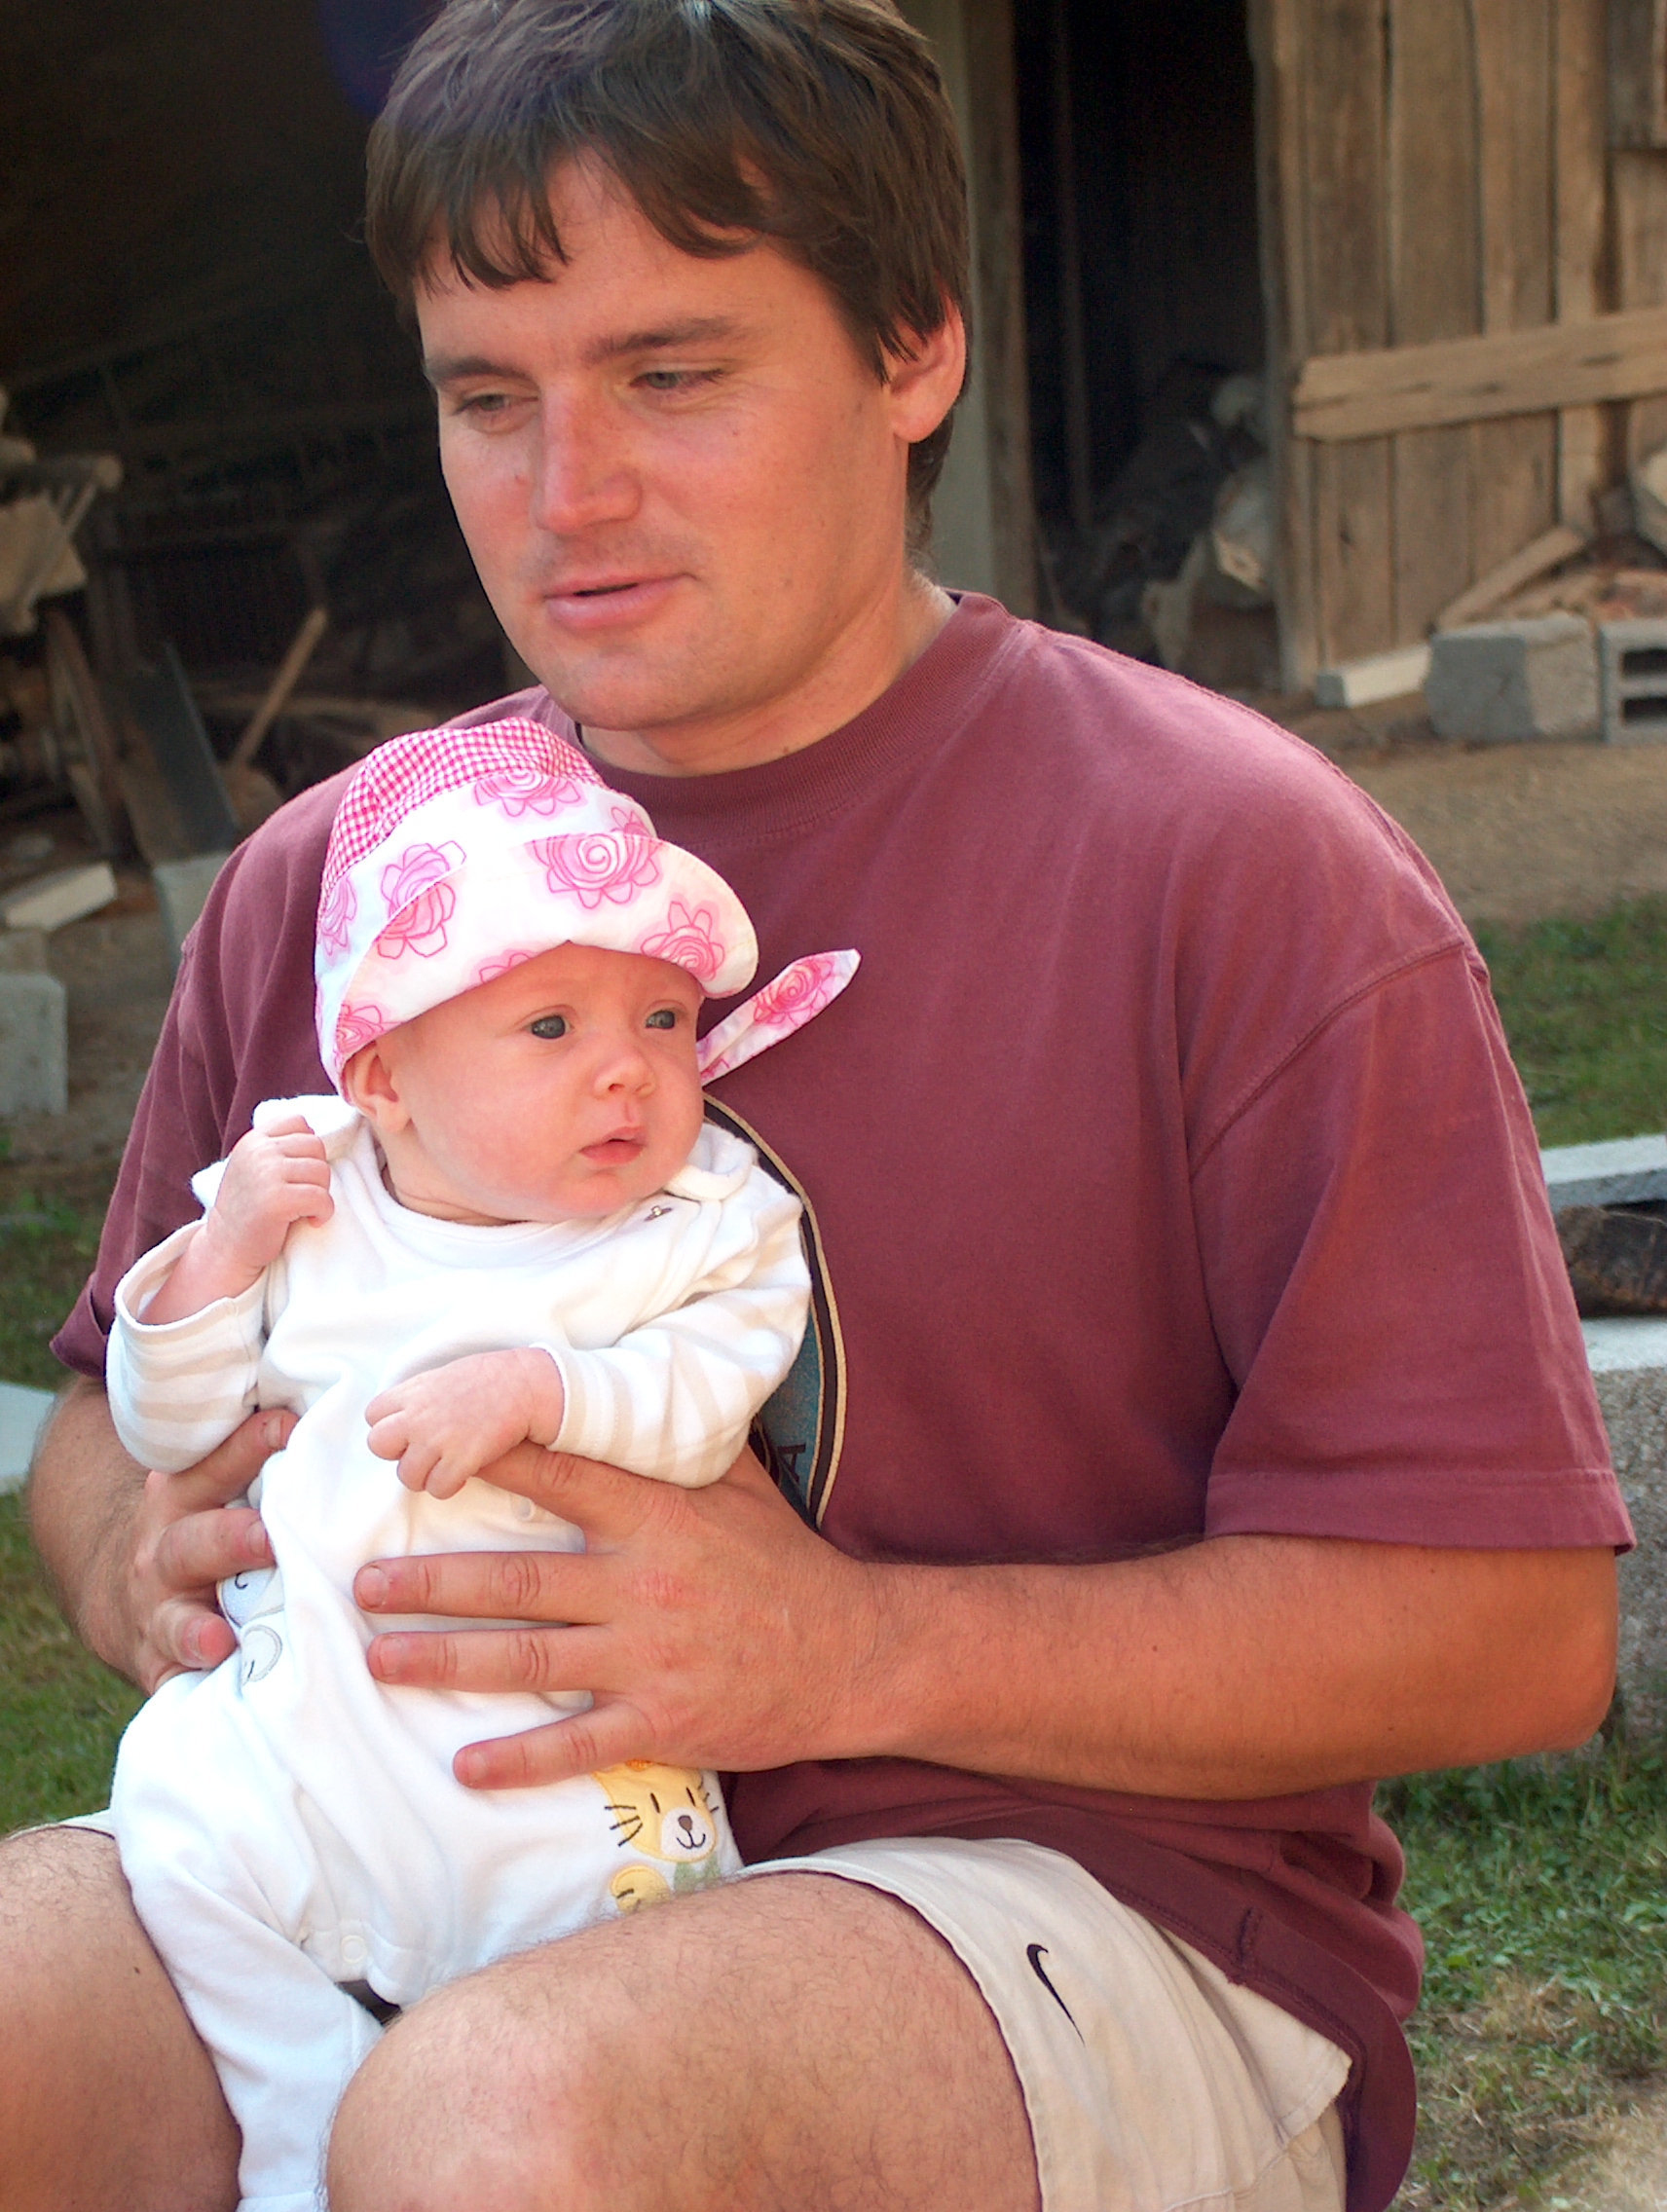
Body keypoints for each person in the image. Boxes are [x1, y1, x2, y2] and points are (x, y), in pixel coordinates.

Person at [0, 5, 1627, 2211]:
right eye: (489, 397)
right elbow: (95, 1429)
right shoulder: (336, 883)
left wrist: (849, 1649)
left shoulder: (1238, 868)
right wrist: (133, 1545)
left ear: (912, 349)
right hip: (366, 1843)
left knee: (503, 2128)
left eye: (671, 375)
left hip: (1063, 1886)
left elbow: (1514, 1624)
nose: (567, 492)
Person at [102, 717, 854, 2212]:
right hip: (310, 1724)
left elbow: (706, 1399)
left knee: (576, 2002)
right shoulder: (307, 1190)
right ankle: (300, 2118)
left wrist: (546, 1390)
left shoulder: (701, 1224)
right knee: (168, 1816)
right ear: (385, 1078)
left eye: (661, 1018)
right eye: (552, 1029)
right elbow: (167, 1429)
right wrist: (216, 1260)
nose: (628, 1075)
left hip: (545, 1745)